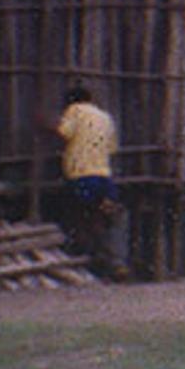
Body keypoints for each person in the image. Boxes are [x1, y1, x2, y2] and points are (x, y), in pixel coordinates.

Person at [55, 84, 119, 277]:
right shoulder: (105, 117)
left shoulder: (74, 110)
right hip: (104, 177)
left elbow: (64, 133)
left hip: (81, 174)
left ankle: (90, 257)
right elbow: (111, 148)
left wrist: (48, 125)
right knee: (98, 217)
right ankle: (110, 260)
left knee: (82, 216)